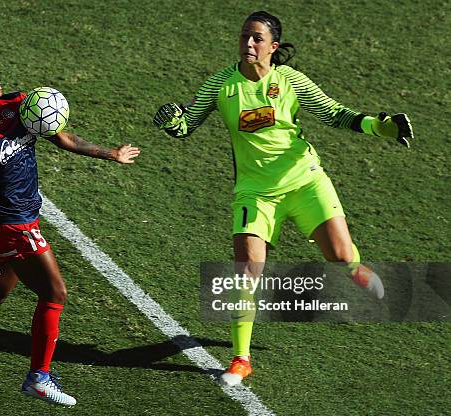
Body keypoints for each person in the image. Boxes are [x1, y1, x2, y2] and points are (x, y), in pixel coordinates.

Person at [153, 11, 413, 386]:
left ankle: (357, 270)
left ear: (273, 47)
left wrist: (379, 126)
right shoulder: (221, 85)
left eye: (257, 38)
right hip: (255, 193)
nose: (248, 43)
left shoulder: (290, 81)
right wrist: (172, 122)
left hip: (305, 182)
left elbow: (334, 114)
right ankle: (241, 359)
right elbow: (187, 125)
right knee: (247, 270)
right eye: (245, 36)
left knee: (340, 257)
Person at [0, 61, 140, 405]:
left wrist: (111, 154)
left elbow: (62, 137)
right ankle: (38, 377)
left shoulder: (20, 103)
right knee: (55, 293)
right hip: (14, 224)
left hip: (22, 218)